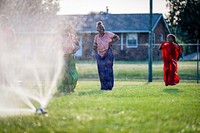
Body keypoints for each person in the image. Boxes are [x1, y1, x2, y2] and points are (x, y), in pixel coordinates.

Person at [93, 21, 119, 90]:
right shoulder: (96, 37)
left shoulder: (108, 34)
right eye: (99, 29)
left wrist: (111, 42)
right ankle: (103, 86)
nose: (101, 30)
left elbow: (117, 37)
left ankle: (109, 86)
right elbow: (95, 45)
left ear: (103, 28)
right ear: (97, 30)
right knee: (101, 71)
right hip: (99, 55)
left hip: (108, 53)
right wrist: (95, 49)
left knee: (109, 70)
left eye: (102, 28)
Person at [57, 24, 80, 93]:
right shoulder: (59, 38)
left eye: (66, 30)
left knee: (73, 74)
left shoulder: (72, 37)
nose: (65, 31)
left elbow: (78, 46)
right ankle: (63, 89)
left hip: (71, 57)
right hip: (63, 58)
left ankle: (71, 88)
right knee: (64, 74)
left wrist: (75, 50)